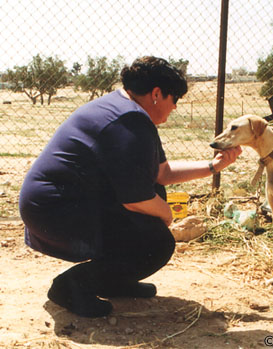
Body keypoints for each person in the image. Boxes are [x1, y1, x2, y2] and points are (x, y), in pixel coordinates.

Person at [19, 56, 242, 318]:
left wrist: (213, 166)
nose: (174, 109)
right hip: (55, 212)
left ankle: (113, 281)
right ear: (157, 94)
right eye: (175, 100)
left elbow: (162, 173)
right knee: (157, 243)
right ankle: (71, 286)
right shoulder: (130, 121)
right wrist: (166, 215)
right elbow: (135, 199)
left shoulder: (125, 110)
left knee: (153, 208)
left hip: (53, 206)